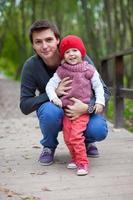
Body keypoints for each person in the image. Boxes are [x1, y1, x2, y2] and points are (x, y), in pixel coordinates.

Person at [20, 19, 110, 167]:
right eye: (38, 42)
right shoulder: (31, 66)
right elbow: (25, 105)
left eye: (49, 40)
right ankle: (49, 146)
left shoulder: (77, 57)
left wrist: (88, 107)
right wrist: (52, 93)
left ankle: (86, 141)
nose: (44, 46)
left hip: (83, 111)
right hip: (55, 111)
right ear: (33, 46)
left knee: (99, 129)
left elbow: (104, 90)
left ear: (57, 40)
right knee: (49, 111)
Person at [46, 35, 105, 175]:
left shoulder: (88, 69)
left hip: (83, 110)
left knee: (76, 137)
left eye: (74, 50)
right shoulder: (62, 70)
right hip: (68, 111)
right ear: (63, 56)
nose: (71, 54)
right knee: (67, 137)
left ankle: (82, 163)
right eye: (67, 52)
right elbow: (50, 86)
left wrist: (99, 102)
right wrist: (54, 97)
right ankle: (74, 158)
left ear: (81, 52)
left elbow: (98, 87)